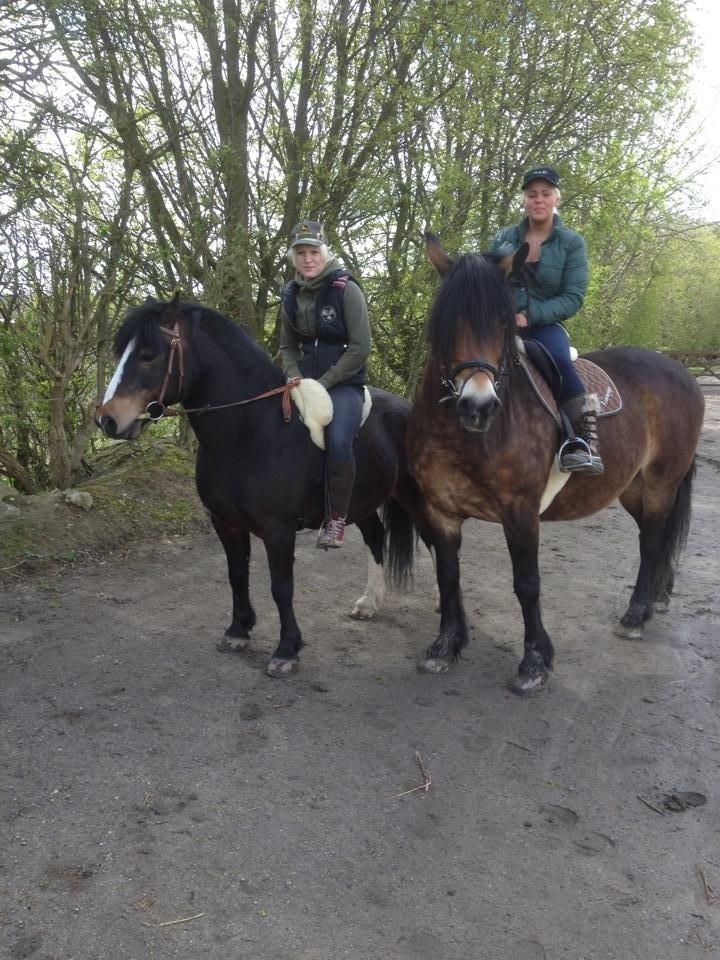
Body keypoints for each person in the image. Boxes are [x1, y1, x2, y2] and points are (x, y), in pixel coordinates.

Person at [490, 165, 604, 474]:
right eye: (532, 194)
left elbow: (573, 296)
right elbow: (488, 282)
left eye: (545, 193)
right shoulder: (502, 239)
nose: (538, 199)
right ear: (524, 201)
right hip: (500, 323)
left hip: (543, 326)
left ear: (556, 199)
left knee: (560, 361)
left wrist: (530, 316)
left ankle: (583, 440)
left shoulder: (571, 243)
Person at [278, 220, 371, 548]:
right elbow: (287, 346)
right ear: (294, 257)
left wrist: (326, 381)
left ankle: (336, 520)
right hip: (302, 381)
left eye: (313, 251)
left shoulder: (347, 289)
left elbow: (361, 346)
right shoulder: (290, 294)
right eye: (301, 252)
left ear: (324, 252)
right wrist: (292, 375)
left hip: (343, 384)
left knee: (339, 438)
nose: (307, 259)